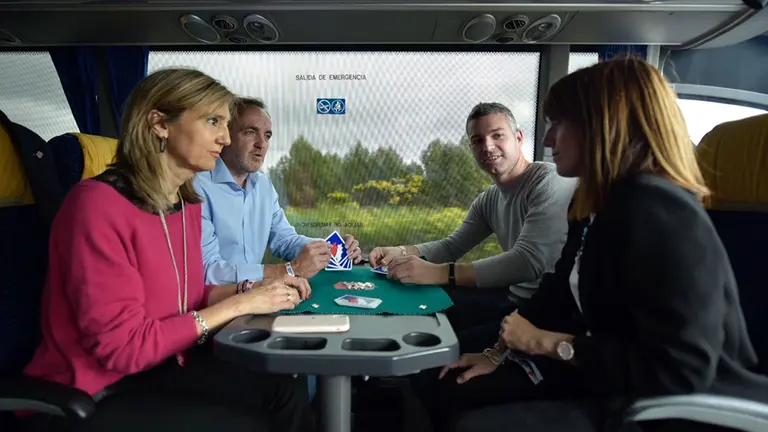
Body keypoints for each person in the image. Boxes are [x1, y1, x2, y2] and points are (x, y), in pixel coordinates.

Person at [428, 57, 768, 432]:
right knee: (446, 383)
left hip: (667, 405)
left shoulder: (657, 211)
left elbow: (682, 368)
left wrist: (548, 344)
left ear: (604, 124)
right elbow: (557, 291)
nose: (547, 139)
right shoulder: (593, 204)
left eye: (558, 123)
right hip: (604, 371)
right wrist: (498, 353)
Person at [21, 68, 314, 432]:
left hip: (163, 365)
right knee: (248, 423)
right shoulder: (96, 206)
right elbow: (123, 349)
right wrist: (240, 304)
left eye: (225, 124)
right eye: (213, 121)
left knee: (284, 385)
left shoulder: (184, 204)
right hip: (94, 390)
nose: (225, 137)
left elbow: (191, 296)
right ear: (160, 123)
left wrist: (256, 291)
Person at [369, 102, 576, 351]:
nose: (487, 146)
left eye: (497, 135)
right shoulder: (489, 199)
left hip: (544, 313)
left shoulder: (549, 181)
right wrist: (402, 252)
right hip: (509, 297)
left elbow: (528, 261)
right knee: (417, 317)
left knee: (438, 349)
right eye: (478, 140)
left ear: (518, 137)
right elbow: (452, 245)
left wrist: (438, 273)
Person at [194, 96, 363, 286]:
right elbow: (207, 270)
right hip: (215, 304)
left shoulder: (263, 185)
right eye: (250, 132)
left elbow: (285, 240)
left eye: (267, 136)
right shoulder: (196, 187)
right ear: (225, 136)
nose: (261, 144)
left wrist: (328, 248)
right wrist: (288, 270)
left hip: (255, 297)